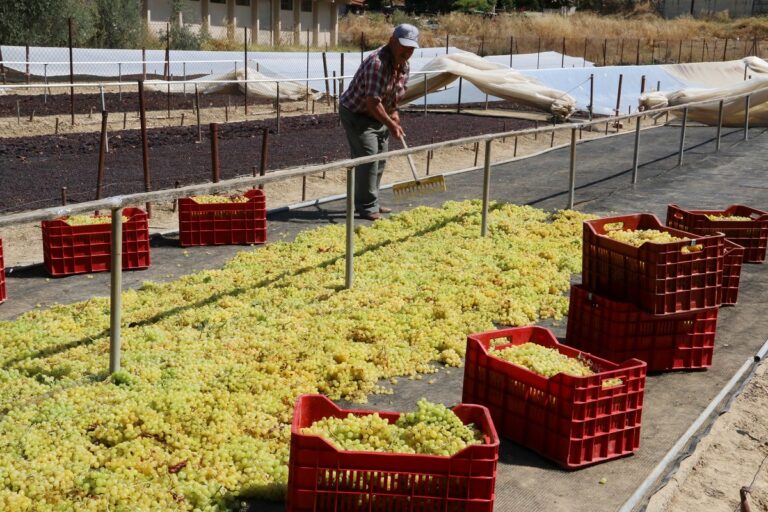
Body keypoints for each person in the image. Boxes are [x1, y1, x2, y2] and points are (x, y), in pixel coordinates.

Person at [339, 23, 419, 221]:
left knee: (380, 158)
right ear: (392, 41)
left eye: (411, 48)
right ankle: (366, 207)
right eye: (404, 46)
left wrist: (395, 116)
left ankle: (371, 201)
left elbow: (392, 97)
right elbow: (373, 103)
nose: (407, 52)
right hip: (358, 113)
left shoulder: (404, 65)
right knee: (368, 158)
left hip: (377, 112)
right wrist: (391, 124)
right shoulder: (377, 63)